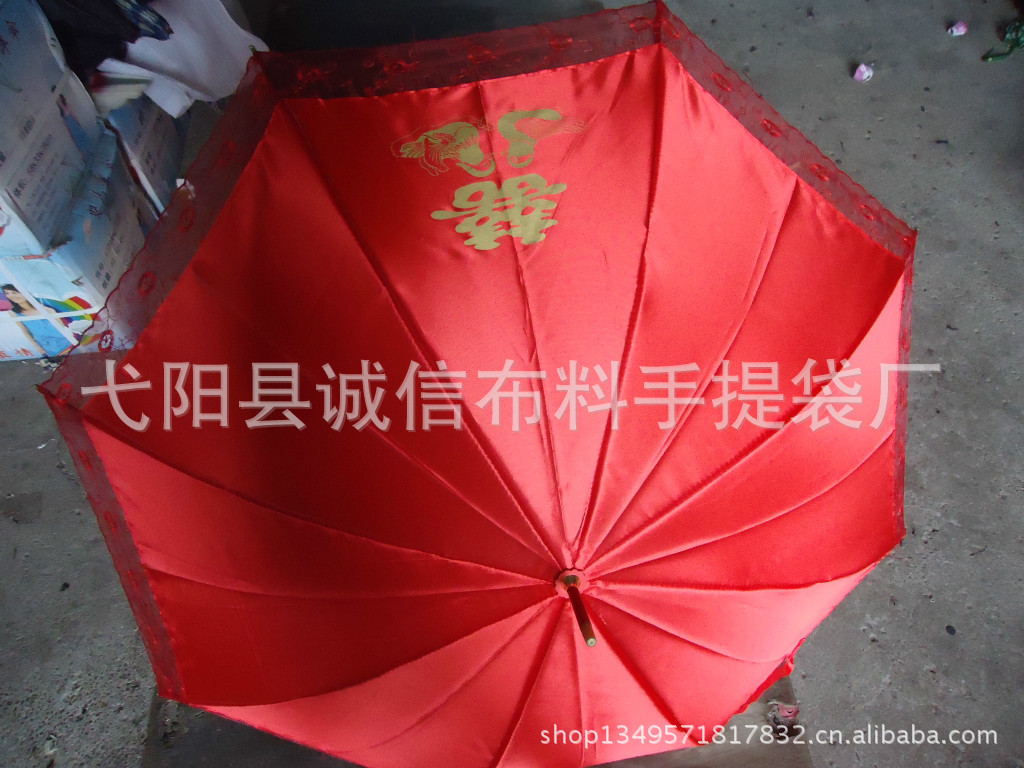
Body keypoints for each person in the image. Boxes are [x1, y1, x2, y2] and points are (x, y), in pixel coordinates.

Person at [2, 284, 74, 357]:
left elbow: (62, 328)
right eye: (7, 293)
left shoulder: (48, 310)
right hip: (48, 346)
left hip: (66, 342)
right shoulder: (14, 313)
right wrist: (36, 346)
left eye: (14, 292)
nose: (11, 296)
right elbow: (25, 330)